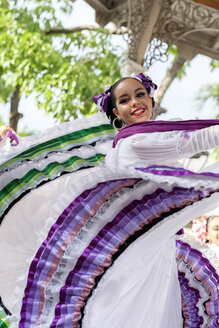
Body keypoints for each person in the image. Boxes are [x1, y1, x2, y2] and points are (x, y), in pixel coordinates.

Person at [0, 73, 219, 328]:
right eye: (125, 100)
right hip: (136, 257)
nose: (135, 102)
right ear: (116, 112)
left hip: (148, 249)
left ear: (151, 99)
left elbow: (191, 132)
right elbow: (197, 140)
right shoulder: (135, 141)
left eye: (140, 94)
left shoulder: (133, 139)